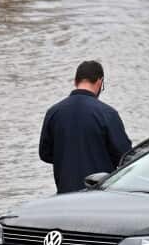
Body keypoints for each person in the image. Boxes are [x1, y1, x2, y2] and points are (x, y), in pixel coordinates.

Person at [39, 60, 132, 193]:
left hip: (65, 195)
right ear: (100, 82)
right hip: (99, 195)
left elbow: (45, 154)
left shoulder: (54, 112)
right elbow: (125, 156)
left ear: (75, 81)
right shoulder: (107, 113)